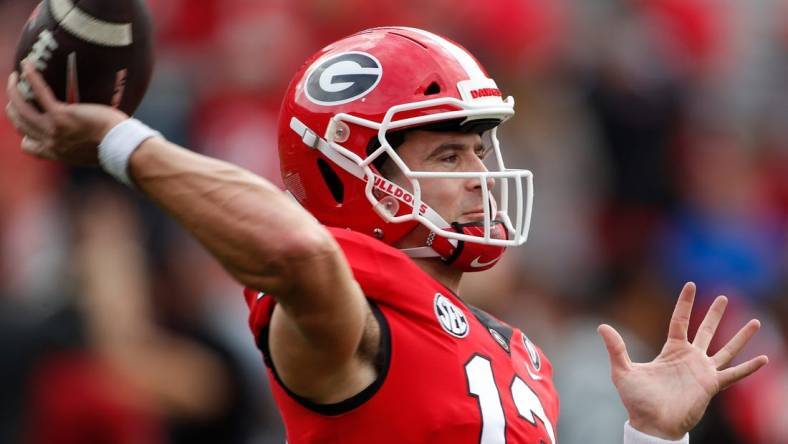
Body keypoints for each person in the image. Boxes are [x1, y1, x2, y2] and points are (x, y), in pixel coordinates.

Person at [5, 27, 768, 443]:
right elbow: (297, 251)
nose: (477, 174)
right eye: (445, 154)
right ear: (347, 171)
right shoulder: (341, 317)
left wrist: (652, 437)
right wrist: (122, 142)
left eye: (477, 150)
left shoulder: (513, 349)